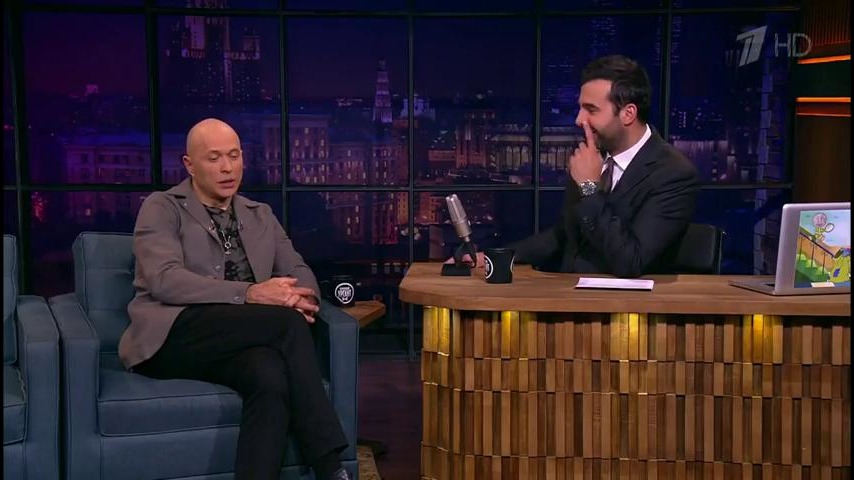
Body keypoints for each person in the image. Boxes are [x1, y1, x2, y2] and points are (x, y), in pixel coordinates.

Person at [118, 118, 352, 480]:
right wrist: (252, 293)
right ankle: (329, 465)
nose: (227, 168)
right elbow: (164, 281)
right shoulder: (162, 207)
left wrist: (297, 297)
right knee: (286, 324)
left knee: (269, 374)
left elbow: (298, 270)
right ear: (189, 164)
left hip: (238, 338)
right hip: (174, 336)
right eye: (214, 158)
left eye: (234, 155)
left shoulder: (260, 216)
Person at [457, 55, 700, 278]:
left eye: (591, 109)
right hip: (568, 298)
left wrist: (589, 188)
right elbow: (567, 234)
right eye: (580, 108)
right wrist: (499, 256)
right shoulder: (592, 157)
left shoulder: (673, 174)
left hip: (625, 308)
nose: (579, 119)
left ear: (628, 114)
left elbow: (630, 262)